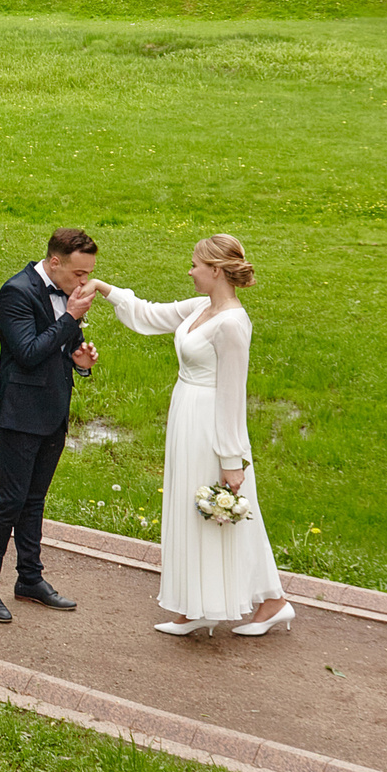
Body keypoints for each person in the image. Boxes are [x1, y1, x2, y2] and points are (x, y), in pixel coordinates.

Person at [94, 235, 292, 637]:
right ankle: (197, 607)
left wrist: (231, 460)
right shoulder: (201, 307)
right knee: (193, 513)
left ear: (216, 270)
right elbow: (151, 315)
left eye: (195, 265)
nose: (190, 271)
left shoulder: (233, 323)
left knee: (221, 515)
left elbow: (233, 394)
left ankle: (271, 602)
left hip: (211, 425)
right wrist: (103, 289)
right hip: (186, 416)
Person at [0, 229, 101, 623]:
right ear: (55, 261)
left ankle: (30, 578)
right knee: (9, 502)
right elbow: (28, 353)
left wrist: (80, 361)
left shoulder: (67, 295)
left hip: (53, 411)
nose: (84, 282)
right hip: (20, 413)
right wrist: (72, 318)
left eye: (90, 274)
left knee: (35, 501)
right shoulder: (16, 292)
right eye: (79, 273)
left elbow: (58, 347)